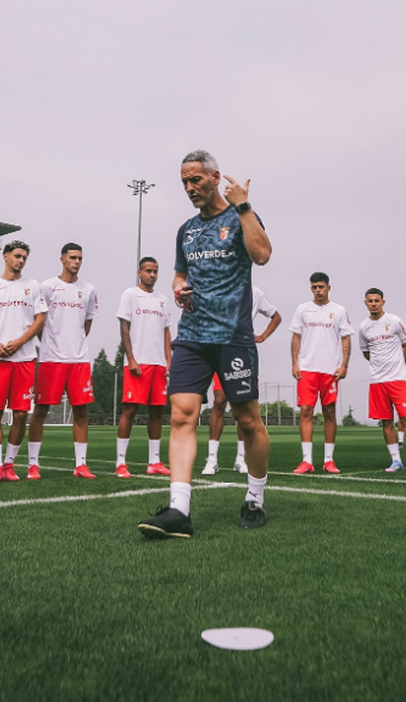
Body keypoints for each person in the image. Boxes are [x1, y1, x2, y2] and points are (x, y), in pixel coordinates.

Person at [138, 149, 272, 538]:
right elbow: (179, 274)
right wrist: (179, 289)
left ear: (215, 178)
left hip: (233, 337)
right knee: (181, 416)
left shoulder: (241, 215)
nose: (189, 188)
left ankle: (255, 497)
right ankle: (179, 510)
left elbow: (262, 255)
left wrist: (244, 206)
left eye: (195, 179)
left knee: (248, 422)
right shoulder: (187, 230)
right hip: (192, 336)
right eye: (184, 181)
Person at [0, 241, 47, 483]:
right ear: (5, 257)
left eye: (24, 257)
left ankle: (10, 464)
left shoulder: (33, 286)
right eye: (17, 256)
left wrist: (21, 341)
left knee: (21, 414)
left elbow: (40, 318)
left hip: (24, 359)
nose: (21, 260)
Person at [29, 243, 99, 479]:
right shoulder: (47, 287)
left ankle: (81, 465)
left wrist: (74, 342)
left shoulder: (88, 289)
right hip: (51, 360)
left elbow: (86, 324)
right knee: (40, 411)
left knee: (81, 412)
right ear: (62, 259)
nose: (77, 262)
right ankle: (33, 464)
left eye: (80, 258)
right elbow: (38, 321)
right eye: (72, 258)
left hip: (79, 360)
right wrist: (50, 342)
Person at [202, 284, 281, 475]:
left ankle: (240, 459)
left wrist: (262, 336)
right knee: (219, 401)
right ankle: (212, 459)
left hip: (243, 351)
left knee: (244, 405)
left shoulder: (256, 293)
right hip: (220, 349)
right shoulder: (219, 287)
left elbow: (276, 317)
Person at [358, 288, 406, 474]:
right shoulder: (363, 326)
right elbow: (366, 352)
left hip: (398, 380)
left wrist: (399, 365)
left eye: (377, 300)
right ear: (365, 303)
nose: (373, 303)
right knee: (386, 421)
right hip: (377, 382)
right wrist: (380, 365)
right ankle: (396, 460)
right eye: (370, 301)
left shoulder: (395, 321)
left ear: (383, 302)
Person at [289, 272, 352, 474]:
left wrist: (344, 365)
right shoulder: (302, 309)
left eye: (321, 287)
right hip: (307, 369)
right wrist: (295, 364)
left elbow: (346, 339)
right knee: (306, 412)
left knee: (329, 413)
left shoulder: (339, 310)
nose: (318, 290)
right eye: (315, 287)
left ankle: (328, 460)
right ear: (311, 289)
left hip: (330, 370)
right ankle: (306, 461)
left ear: (328, 288)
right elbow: (296, 337)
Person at [115, 257, 172, 478]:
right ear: (140, 272)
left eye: (155, 271)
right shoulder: (130, 295)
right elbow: (124, 327)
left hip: (158, 364)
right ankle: (121, 462)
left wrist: (169, 360)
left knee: (157, 412)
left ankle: (154, 462)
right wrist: (130, 357)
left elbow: (167, 332)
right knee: (129, 411)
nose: (152, 275)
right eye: (148, 271)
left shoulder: (163, 300)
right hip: (138, 363)